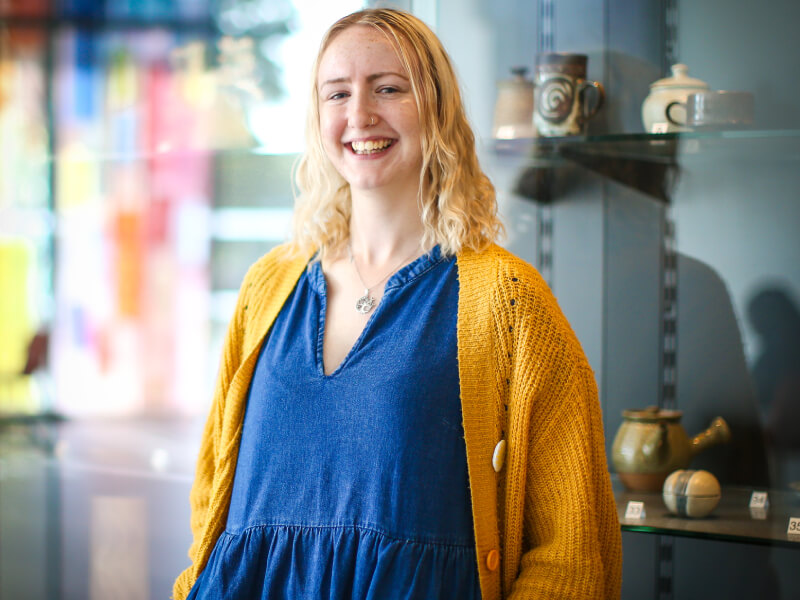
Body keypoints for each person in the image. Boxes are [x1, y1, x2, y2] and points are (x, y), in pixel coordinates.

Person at [174, 8, 621, 600]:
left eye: (388, 88)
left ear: (436, 108)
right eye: (338, 94)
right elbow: (211, 507)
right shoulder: (267, 287)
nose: (360, 115)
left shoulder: (510, 304)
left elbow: (573, 551)